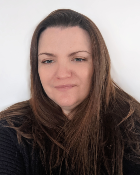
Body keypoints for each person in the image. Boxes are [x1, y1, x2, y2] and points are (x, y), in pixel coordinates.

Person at [0, 9, 140, 175]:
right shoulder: (11, 129)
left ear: (98, 65)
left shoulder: (133, 128)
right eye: (48, 60)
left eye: (78, 59)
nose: (62, 74)